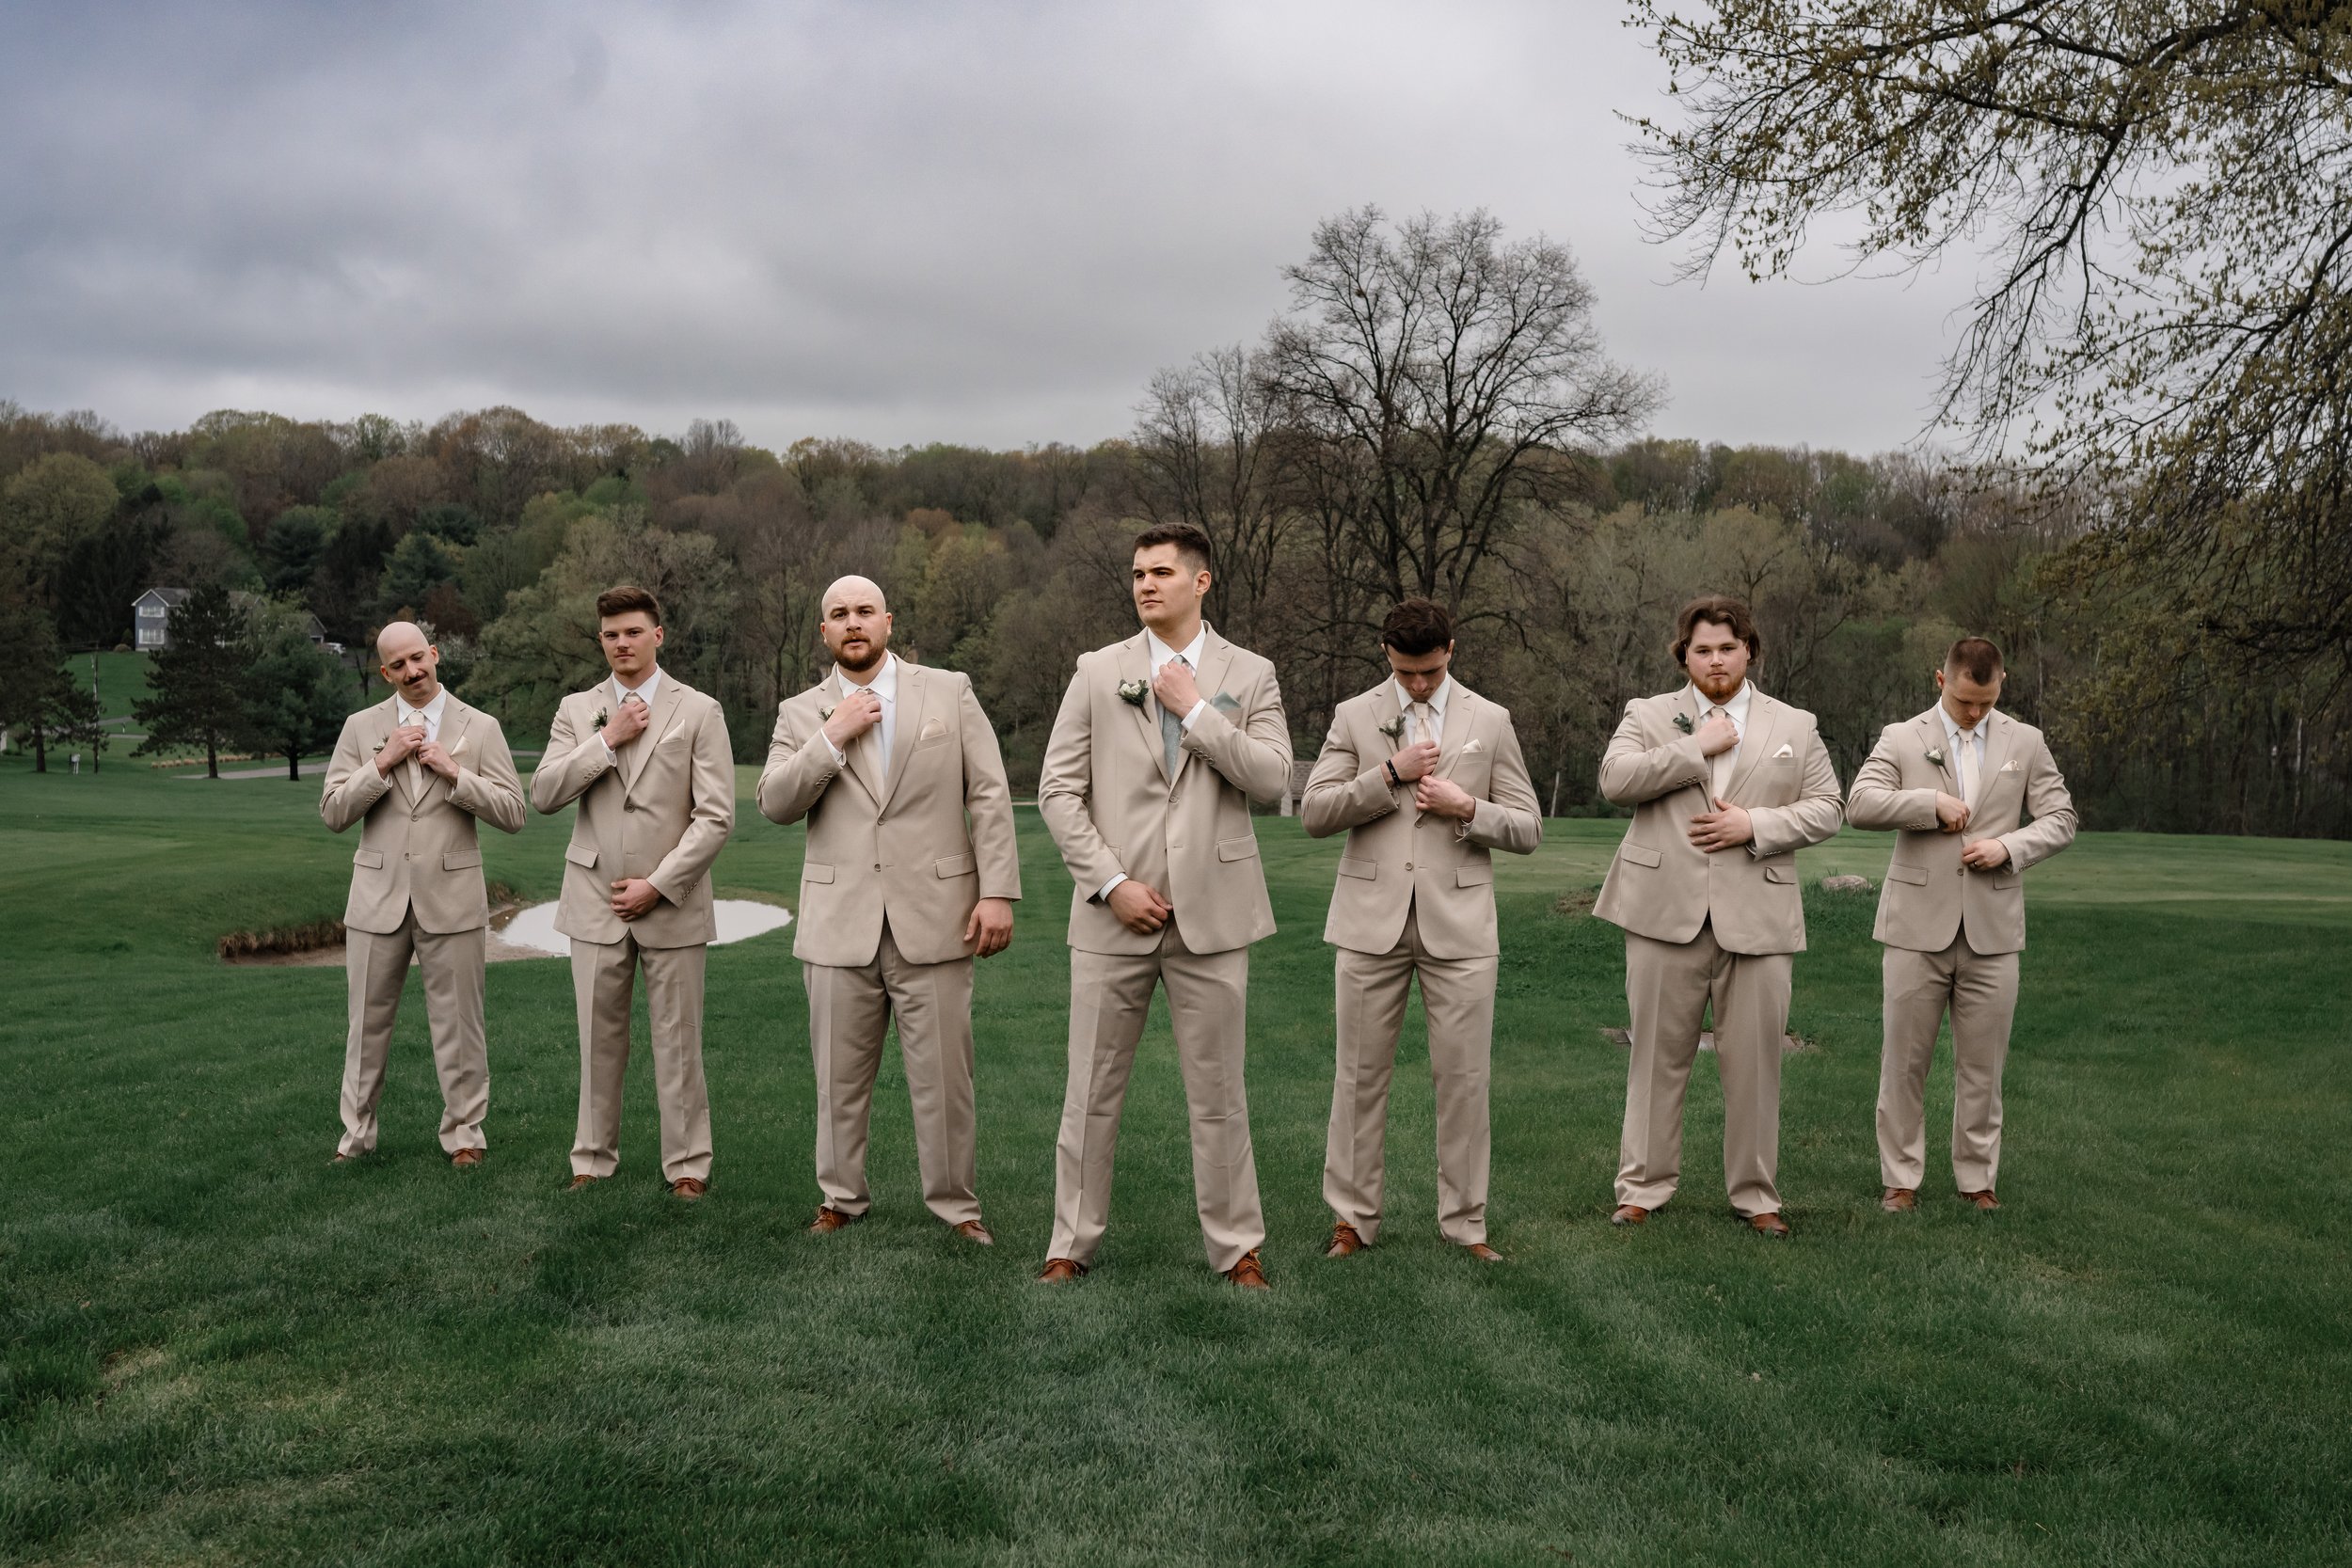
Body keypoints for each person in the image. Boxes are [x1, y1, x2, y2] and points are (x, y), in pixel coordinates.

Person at [1035, 522, 1293, 1287]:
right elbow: (1058, 790)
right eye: (1138, 572)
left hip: (1213, 915)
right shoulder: (1097, 669)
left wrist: (1200, 711)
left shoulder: (1251, 672)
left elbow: (1275, 778)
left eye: (1161, 572)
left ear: (1201, 581)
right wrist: (1112, 884)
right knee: (1089, 1091)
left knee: (1219, 1093)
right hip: (1113, 915)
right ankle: (1069, 1244)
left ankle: (1237, 1246)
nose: (1145, 583)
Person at [755, 575, 1021, 1244]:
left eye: (864, 611)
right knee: (838, 1080)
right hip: (837, 920)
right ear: (824, 632)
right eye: (838, 614)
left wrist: (996, 891)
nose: (853, 622)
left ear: (888, 621)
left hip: (937, 915)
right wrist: (830, 738)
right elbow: (775, 803)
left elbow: (988, 793)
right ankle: (841, 1198)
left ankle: (958, 1207)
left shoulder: (949, 690)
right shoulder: (800, 712)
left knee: (945, 1080)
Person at [1301, 597, 1543, 1263]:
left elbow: (1528, 826)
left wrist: (1469, 808)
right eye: (1406, 671)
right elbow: (1315, 812)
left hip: (1461, 927)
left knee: (1464, 1080)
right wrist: (1387, 776)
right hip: (1367, 924)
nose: (1417, 684)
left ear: (1451, 652)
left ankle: (1466, 1225)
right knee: (1357, 1077)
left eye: (1429, 673)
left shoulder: (1490, 720)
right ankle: (1352, 1220)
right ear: (1386, 653)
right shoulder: (1354, 715)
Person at [1595, 594, 1844, 1237]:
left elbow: (1828, 808)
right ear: (1685, 655)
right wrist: (1693, 747)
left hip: (1759, 912)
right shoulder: (1649, 715)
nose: (1715, 660)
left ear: (1750, 651)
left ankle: (1756, 1194)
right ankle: (1643, 1187)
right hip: (1661, 910)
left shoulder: (1796, 724)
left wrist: (1753, 824)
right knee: (1654, 1056)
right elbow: (1616, 780)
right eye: (1702, 649)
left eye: (1727, 648)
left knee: (1756, 1060)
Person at [1845, 637, 2077, 1212]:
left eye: (1987, 701)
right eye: (1965, 701)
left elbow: (2062, 818)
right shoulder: (1901, 737)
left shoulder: (2027, 741)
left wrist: (2008, 845)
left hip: (1993, 929)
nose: (1974, 712)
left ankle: (1978, 1180)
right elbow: (1860, 804)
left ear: (2002, 684)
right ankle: (1900, 1179)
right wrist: (1927, 804)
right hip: (1914, 928)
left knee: (1984, 1066)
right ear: (1940, 679)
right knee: (1903, 1062)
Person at [529, 586, 734, 1199]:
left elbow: (716, 816)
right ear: (602, 640)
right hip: (592, 897)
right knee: (598, 1039)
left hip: (672, 899)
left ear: (658, 635)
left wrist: (659, 884)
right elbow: (543, 793)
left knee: (678, 1042)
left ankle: (688, 1166)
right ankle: (591, 1160)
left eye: (634, 631)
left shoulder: (699, 710)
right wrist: (606, 738)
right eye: (612, 633)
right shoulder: (577, 709)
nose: (622, 642)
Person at [319, 620, 525, 1165]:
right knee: (365, 1026)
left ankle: (464, 1137)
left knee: (460, 1025)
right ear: (384, 672)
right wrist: (381, 763)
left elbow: (513, 812)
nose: (413, 672)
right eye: (399, 665)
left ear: (435, 654)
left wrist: (456, 774)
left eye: (419, 658)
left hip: (452, 898)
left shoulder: (480, 727)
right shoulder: (361, 727)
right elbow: (334, 811)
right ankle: (356, 1138)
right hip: (375, 899)